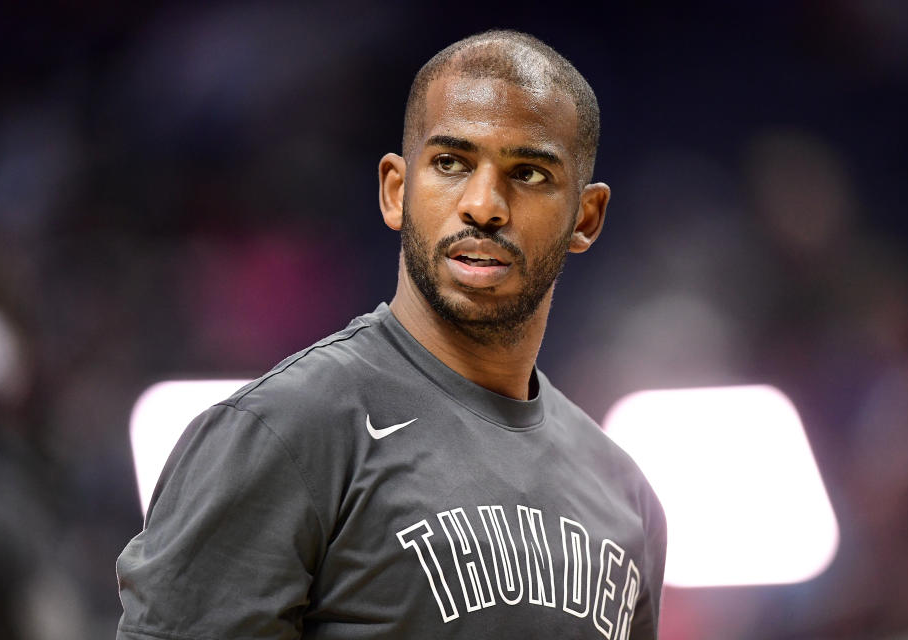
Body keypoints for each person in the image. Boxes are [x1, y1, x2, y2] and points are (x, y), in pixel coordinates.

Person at [116, 29, 667, 639]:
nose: (484, 205)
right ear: (396, 191)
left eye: (529, 173)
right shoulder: (283, 433)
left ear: (584, 218)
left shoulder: (627, 498)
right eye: (452, 164)